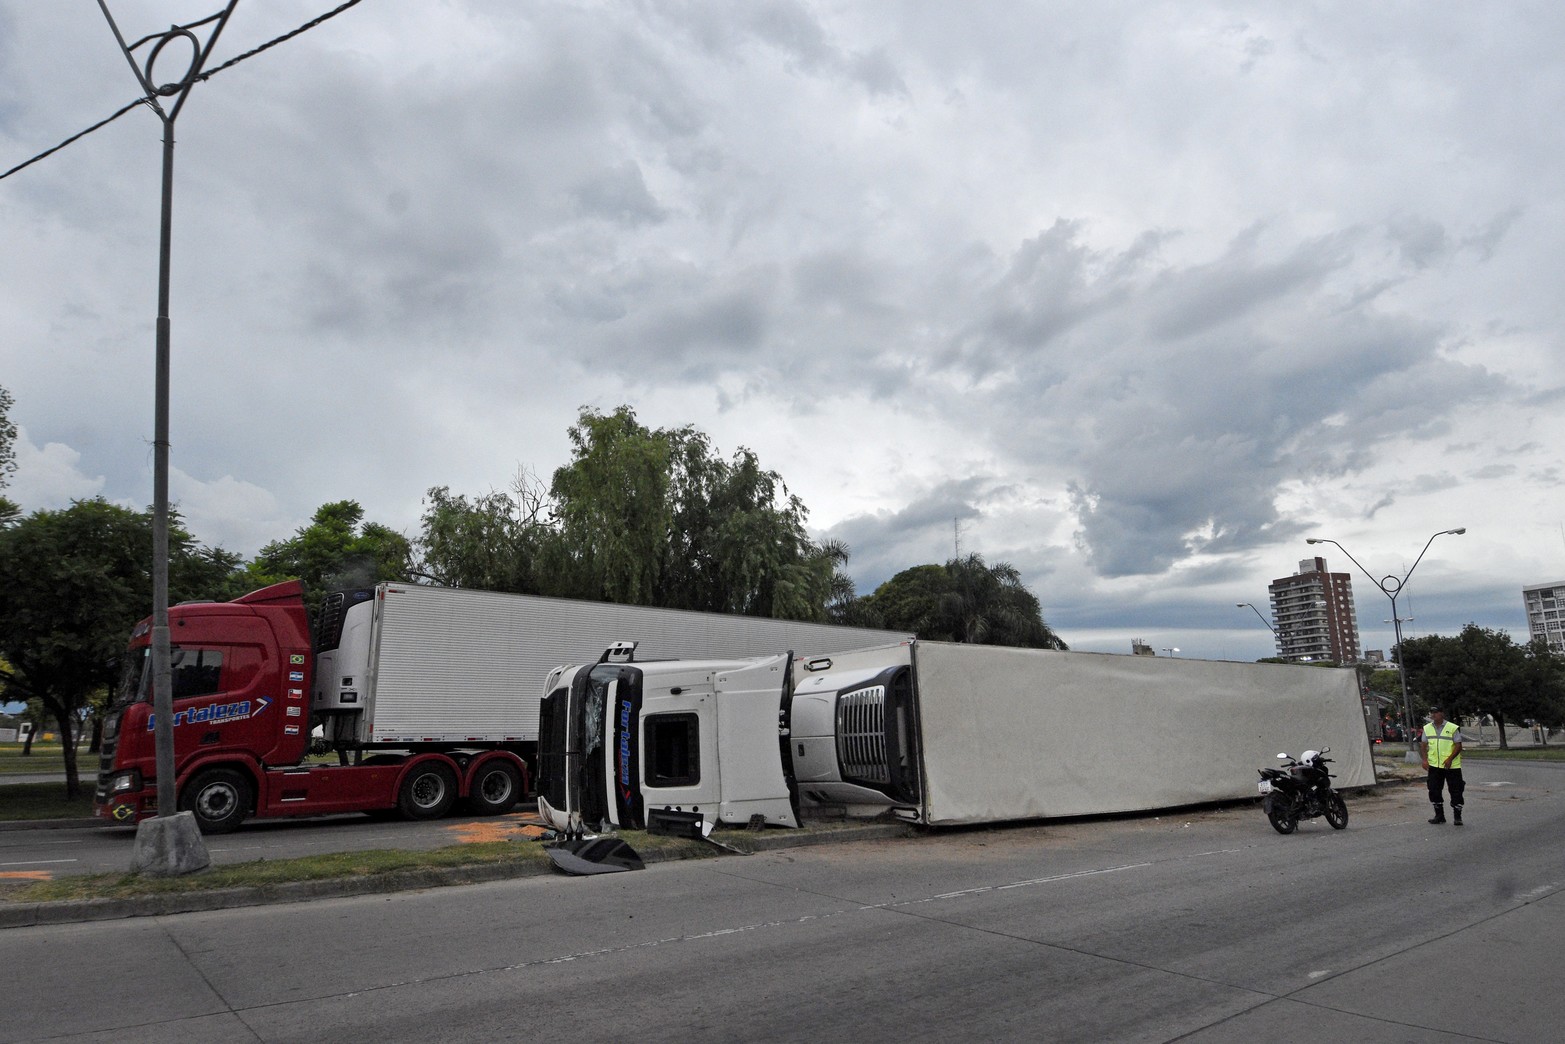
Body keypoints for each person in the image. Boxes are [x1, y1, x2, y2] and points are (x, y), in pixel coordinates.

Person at [1421, 705, 1464, 826]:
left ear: (1442, 714)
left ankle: (1457, 816)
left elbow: (1458, 745)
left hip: (1451, 766)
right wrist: (1424, 760)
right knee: (1434, 789)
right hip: (1435, 766)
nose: (1433, 715)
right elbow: (1423, 745)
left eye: (1436, 712)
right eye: (1431, 713)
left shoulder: (1452, 727)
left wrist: (1450, 758)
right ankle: (1439, 816)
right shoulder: (1427, 728)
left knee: (1456, 790)